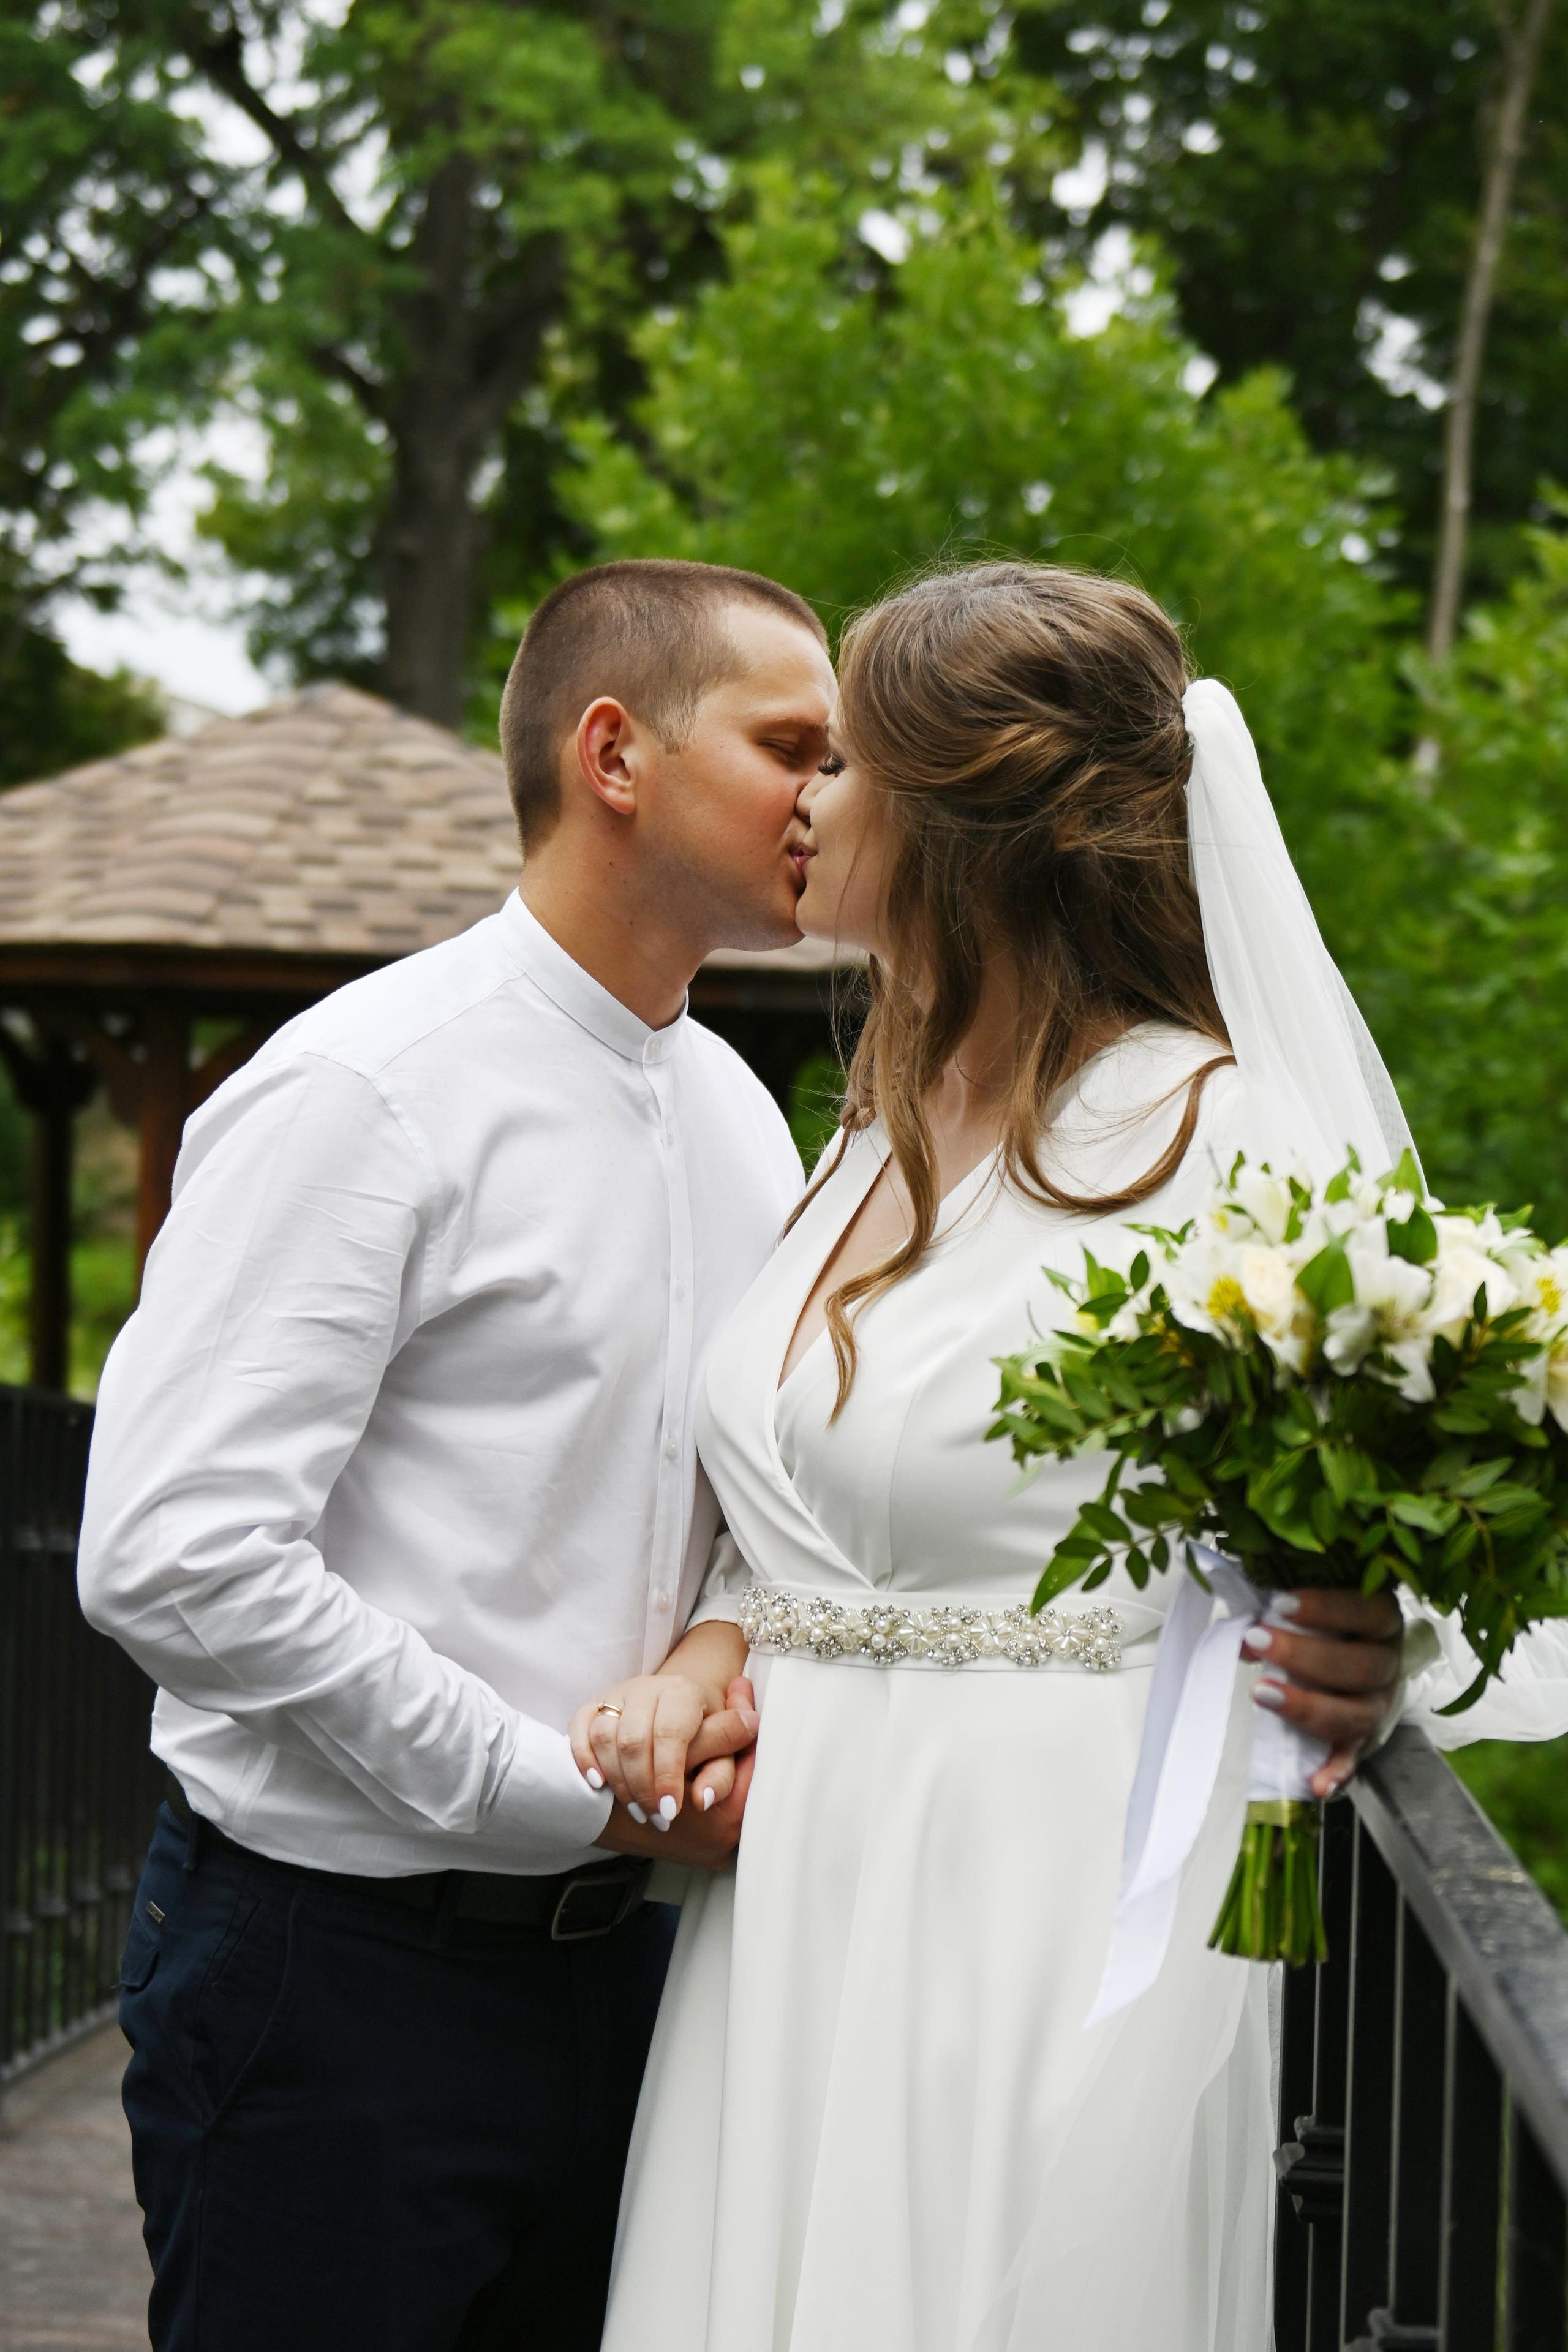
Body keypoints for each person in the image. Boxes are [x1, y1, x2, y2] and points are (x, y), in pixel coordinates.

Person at [581, 561, 1568, 2352]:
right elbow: (808, 1512)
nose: (804, 801)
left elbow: (1397, 1498)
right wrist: (720, 1647)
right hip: (799, 1892)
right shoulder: (871, 1134)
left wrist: (1377, 1641)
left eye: (847, 767)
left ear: (966, 823)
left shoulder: (1219, 1136)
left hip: (1035, 1888)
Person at [75, 558, 836, 2352]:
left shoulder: (737, 1113)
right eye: (793, 746)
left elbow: (771, 1494)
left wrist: (712, 1666)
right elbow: (173, 1547)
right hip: (333, 1977)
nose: (835, 797)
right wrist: (549, 1786)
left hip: (642, 1978)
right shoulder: (369, 1089)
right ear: (615, 754)